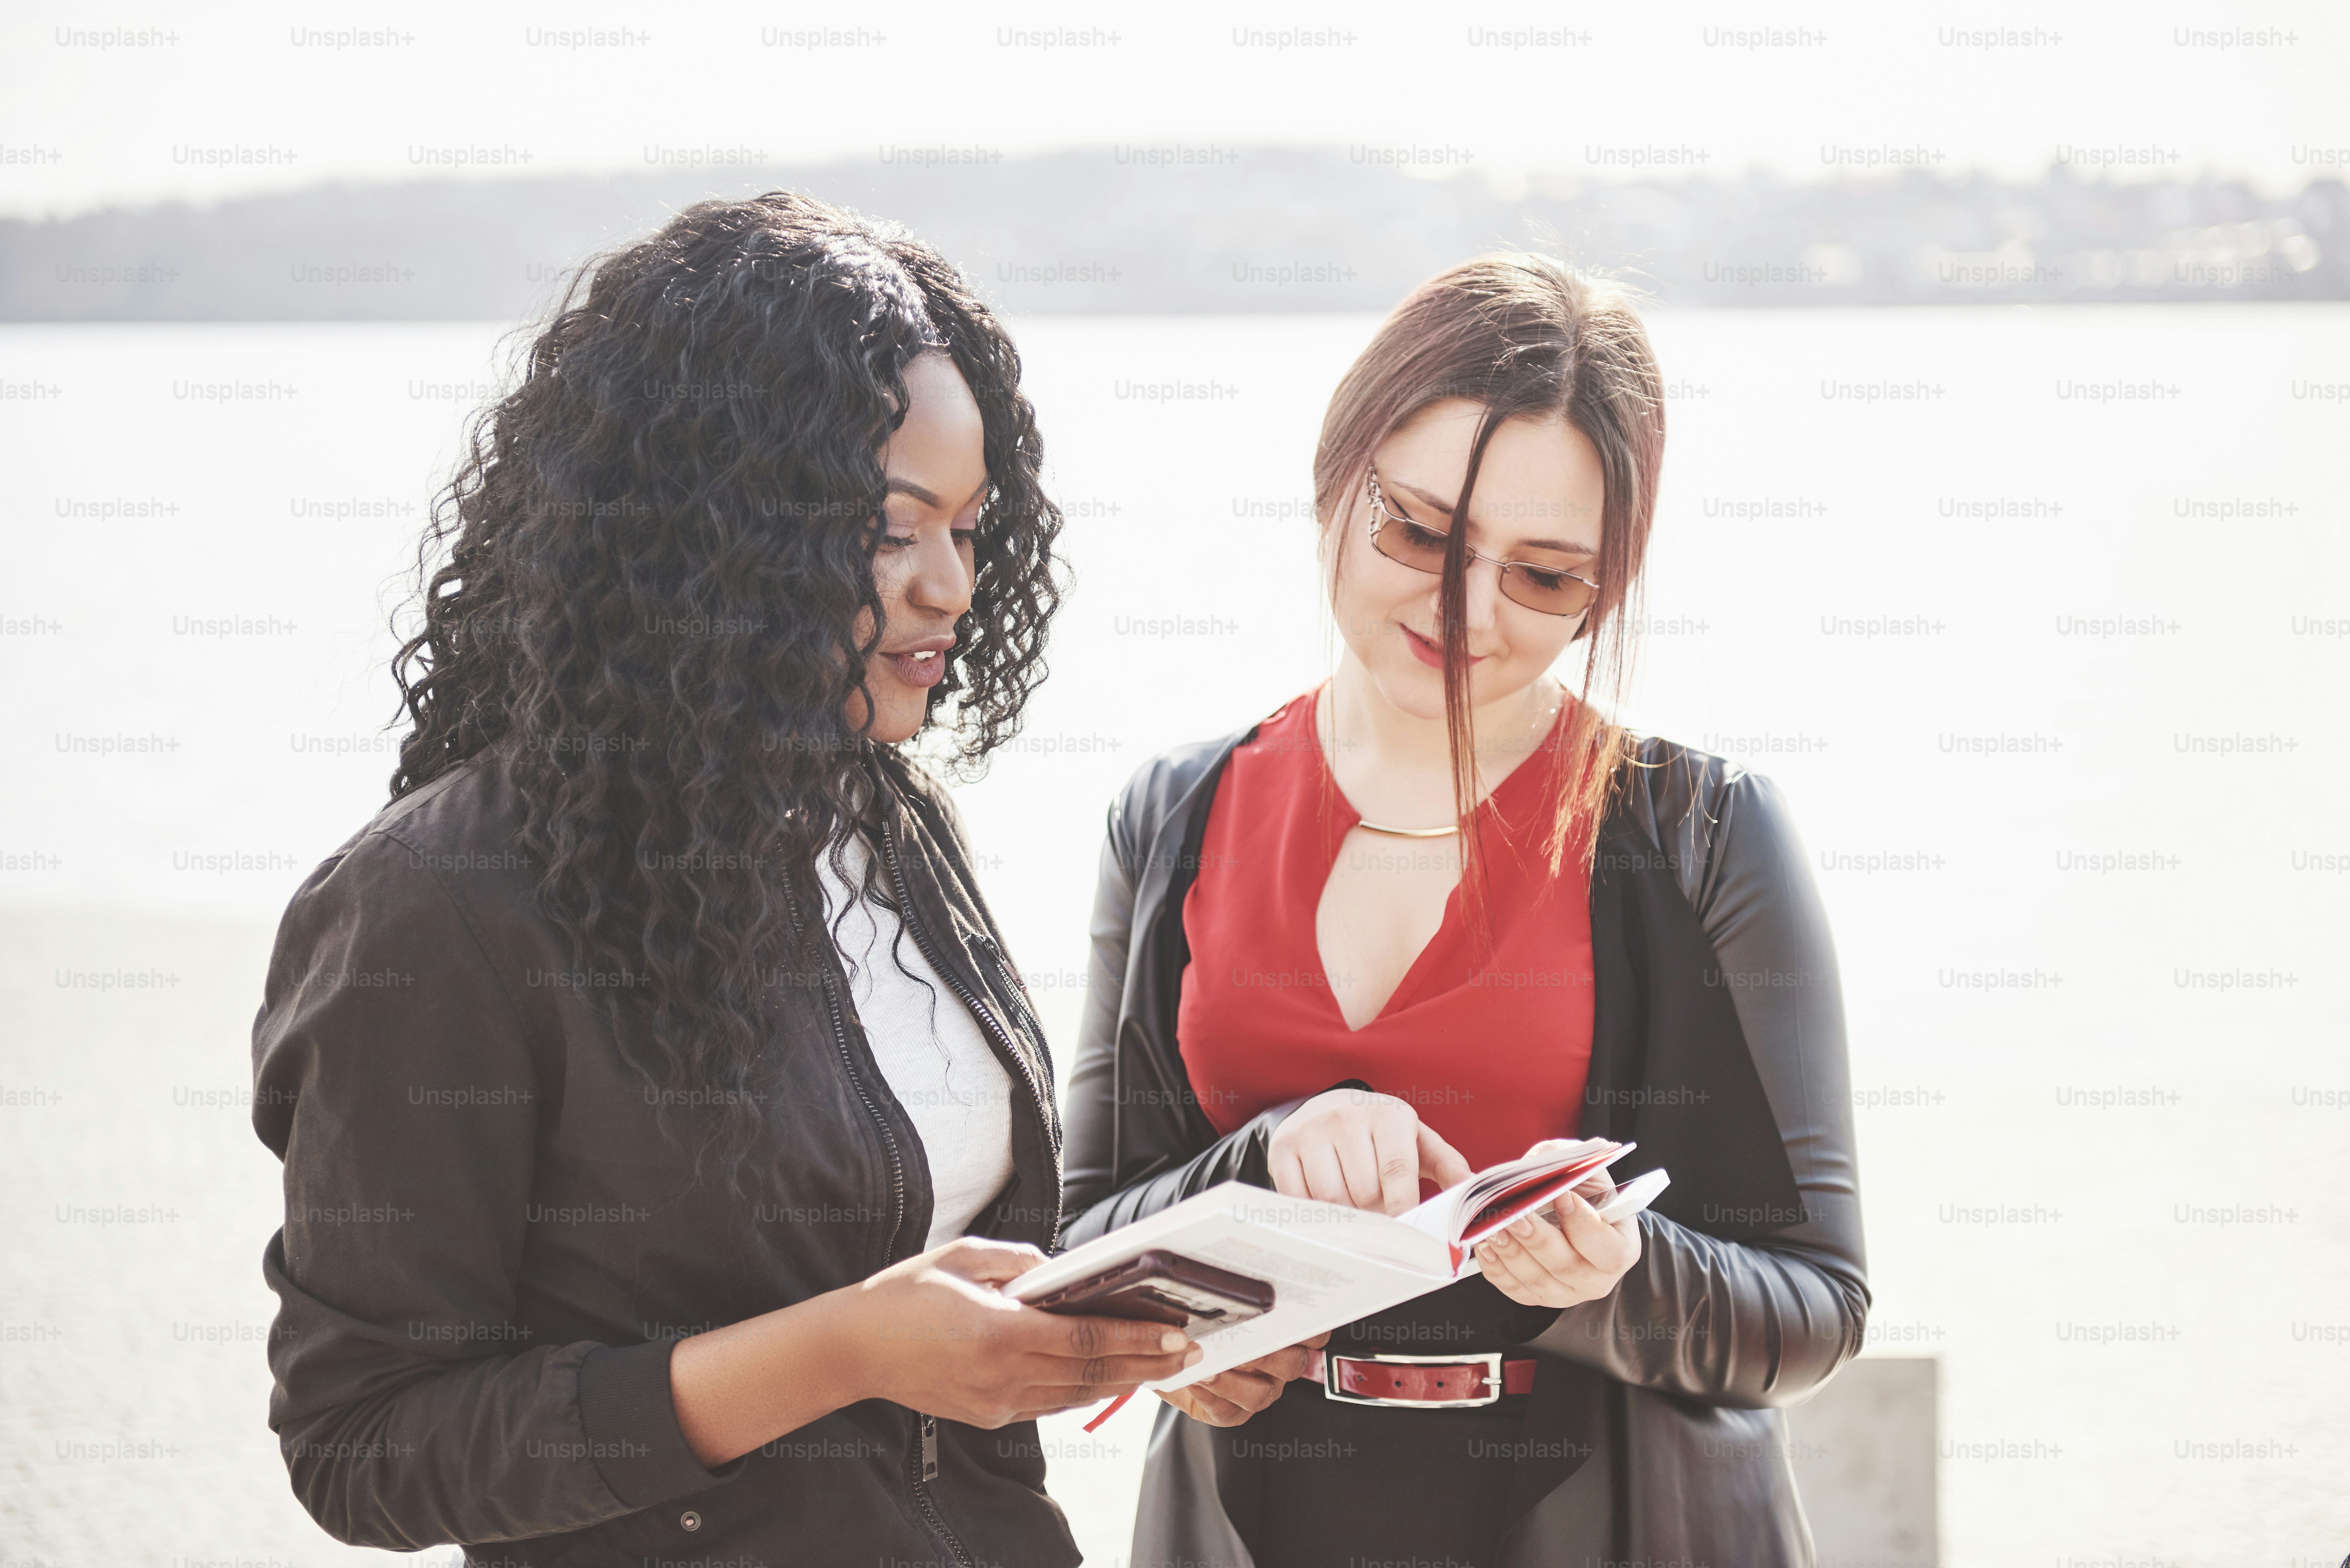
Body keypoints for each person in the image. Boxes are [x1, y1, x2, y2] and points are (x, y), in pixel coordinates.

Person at [249, 192, 1195, 1566]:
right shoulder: (438, 907)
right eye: (890, 527)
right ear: (716, 530)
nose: (949, 587)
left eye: (972, 530)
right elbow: (366, 1443)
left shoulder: (900, 820)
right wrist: (845, 1350)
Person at [1062, 254, 1869, 1567]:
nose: (1465, 610)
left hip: (1610, 1520)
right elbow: (1079, 1240)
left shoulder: (1703, 831)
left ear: (1604, 586)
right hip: (1253, 1518)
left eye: (1545, 577)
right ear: (1337, 471)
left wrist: (1618, 1272)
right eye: (1420, 534)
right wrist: (1261, 1165)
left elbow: (1820, 1309)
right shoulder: (1174, 814)